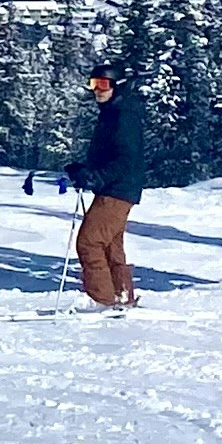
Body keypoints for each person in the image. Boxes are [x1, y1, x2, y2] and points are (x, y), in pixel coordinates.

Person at [73, 66, 148, 309]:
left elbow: (126, 159)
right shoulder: (114, 112)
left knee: (89, 242)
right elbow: (110, 154)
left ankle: (103, 300)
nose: (97, 90)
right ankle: (121, 296)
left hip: (117, 189)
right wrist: (83, 170)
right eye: (93, 84)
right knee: (110, 245)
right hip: (115, 188)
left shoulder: (123, 115)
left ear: (118, 86)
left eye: (103, 85)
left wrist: (97, 177)